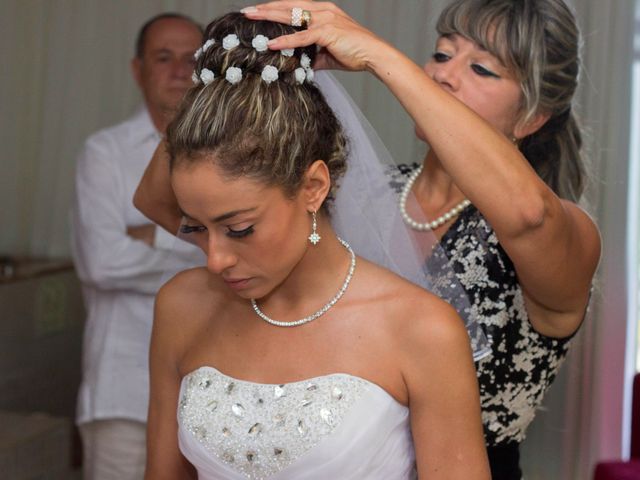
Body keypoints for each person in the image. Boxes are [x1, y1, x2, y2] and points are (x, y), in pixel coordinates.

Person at [239, 1, 601, 479]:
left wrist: (377, 57)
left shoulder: (565, 232)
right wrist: (243, 64)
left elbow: (529, 215)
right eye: (441, 54)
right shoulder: (351, 192)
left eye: (480, 69)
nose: (444, 75)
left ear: (533, 117)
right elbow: (197, 214)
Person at [144, 12, 490, 480]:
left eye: (240, 228)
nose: (216, 260)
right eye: (196, 229)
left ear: (313, 187)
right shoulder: (182, 307)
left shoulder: (421, 328)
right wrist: (236, 71)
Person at [70, 13, 203, 480]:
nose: (179, 70)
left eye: (192, 58)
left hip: (207, 390)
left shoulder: (231, 155)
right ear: (138, 69)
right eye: (163, 57)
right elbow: (103, 263)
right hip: (123, 391)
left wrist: (148, 232)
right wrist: (197, 242)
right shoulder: (104, 152)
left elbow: (247, 258)